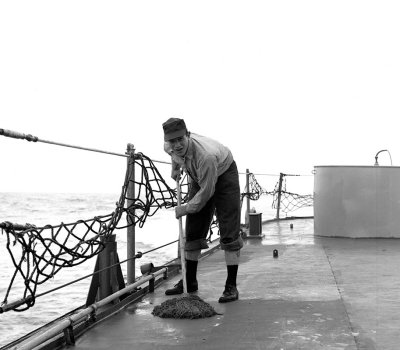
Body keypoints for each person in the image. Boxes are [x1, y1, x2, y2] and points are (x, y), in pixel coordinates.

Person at [162, 117, 243, 303]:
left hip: (224, 173)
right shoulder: (169, 147)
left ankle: (231, 286)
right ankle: (190, 281)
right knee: (193, 229)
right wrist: (175, 168)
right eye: (172, 141)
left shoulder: (205, 156)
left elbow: (207, 193)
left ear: (188, 135)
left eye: (180, 139)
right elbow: (174, 155)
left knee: (229, 230)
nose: (177, 145)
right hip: (198, 175)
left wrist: (184, 208)